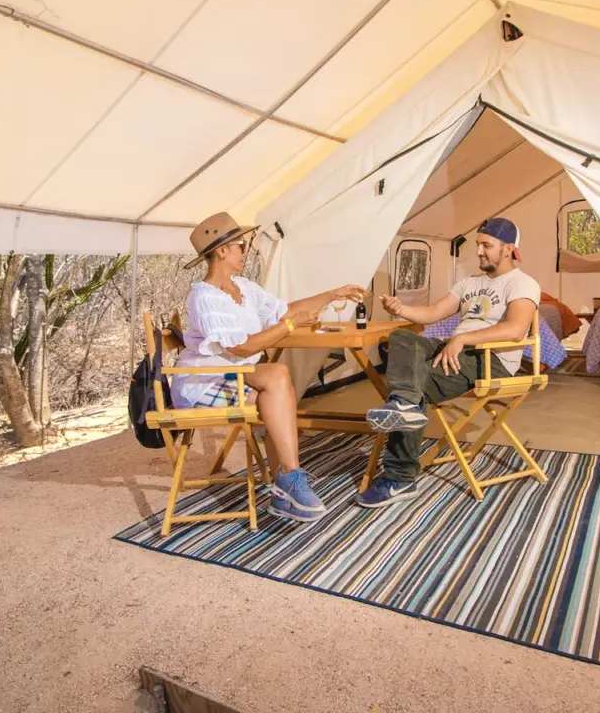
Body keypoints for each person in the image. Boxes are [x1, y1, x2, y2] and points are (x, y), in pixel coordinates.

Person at [171, 212, 365, 523]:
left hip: (235, 375)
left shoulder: (244, 288)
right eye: (241, 245)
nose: (245, 250)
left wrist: (333, 294)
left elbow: (286, 310)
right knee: (276, 388)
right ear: (222, 251)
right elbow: (243, 347)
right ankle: (288, 479)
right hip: (203, 381)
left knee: (277, 385)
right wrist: (289, 325)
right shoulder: (205, 298)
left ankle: (286, 480)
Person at [355, 217, 539, 508]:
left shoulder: (523, 283)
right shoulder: (469, 283)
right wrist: (401, 308)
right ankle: (403, 404)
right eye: (478, 244)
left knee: (419, 381)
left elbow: (516, 330)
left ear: (508, 249)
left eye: (486, 245)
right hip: (456, 351)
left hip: (490, 358)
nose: (479, 251)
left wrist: (463, 339)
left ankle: (401, 477)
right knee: (402, 337)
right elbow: (431, 313)